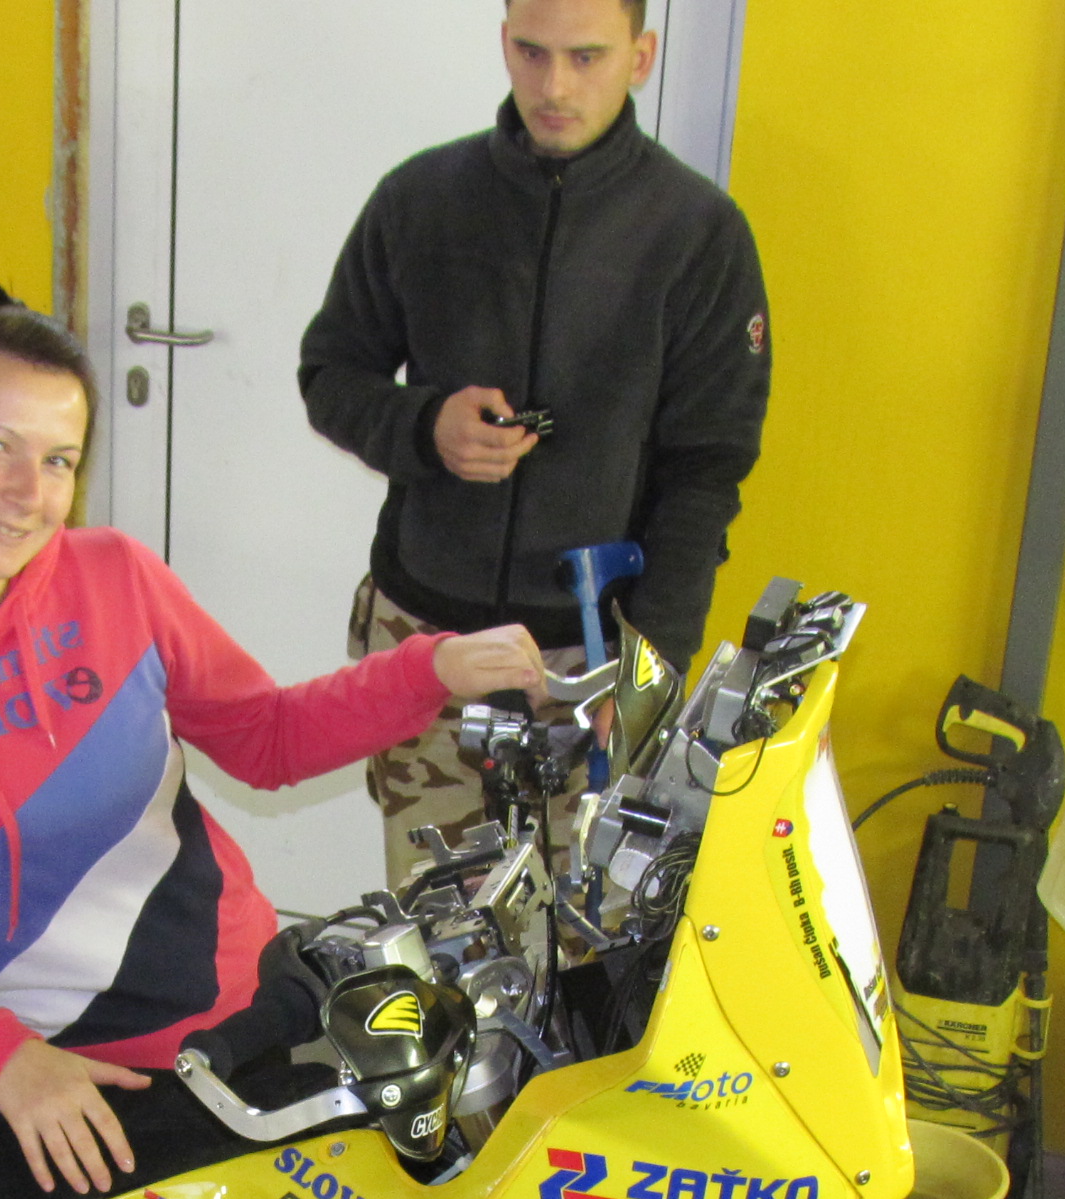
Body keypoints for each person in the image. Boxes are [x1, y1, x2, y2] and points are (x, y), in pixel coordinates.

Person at [0, 284, 545, 1199]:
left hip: (253, 1018)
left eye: (58, 460)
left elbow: (266, 738)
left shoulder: (113, 578)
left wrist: (430, 669)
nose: (28, 494)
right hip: (58, 1080)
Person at [300, 0, 770, 876]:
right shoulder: (420, 197)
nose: (554, 86)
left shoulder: (698, 233)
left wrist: (651, 668)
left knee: (586, 940)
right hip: (429, 646)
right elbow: (330, 374)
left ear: (641, 57)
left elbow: (707, 469)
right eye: (532, 52)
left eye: (587, 57)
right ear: (504, 44)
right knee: (436, 926)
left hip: (593, 662)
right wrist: (424, 426)